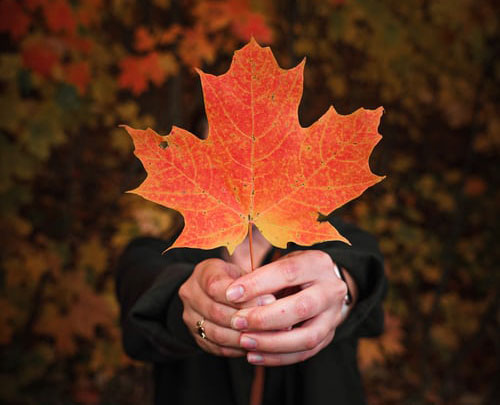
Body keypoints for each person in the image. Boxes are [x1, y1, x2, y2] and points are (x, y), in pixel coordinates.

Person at [115, 216, 386, 404]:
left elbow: (362, 272)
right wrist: (190, 311)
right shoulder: (157, 254)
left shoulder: (339, 241)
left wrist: (341, 287)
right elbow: (147, 293)